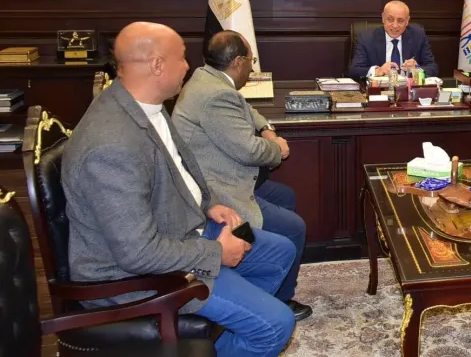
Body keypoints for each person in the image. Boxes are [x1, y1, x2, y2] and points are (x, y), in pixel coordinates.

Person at [62, 22, 296, 357]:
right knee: (276, 325)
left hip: (187, 226)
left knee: (280, 251)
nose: (188, 66)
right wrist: (216, 253)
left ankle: (225, 333)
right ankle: (244, 323)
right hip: (141, 275)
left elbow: (183, 172)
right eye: (182, 58)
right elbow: (138, 253)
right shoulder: (111, 146)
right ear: (157, 65)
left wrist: (210, 203)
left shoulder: (148, 105)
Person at [173, 30, 312, 320]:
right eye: (251, 60)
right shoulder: (216, 95)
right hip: (218, 191)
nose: (252, 67)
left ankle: (260, 268)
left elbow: (247, 109)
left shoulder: (207, 77)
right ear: (237, 62)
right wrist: (277, 148)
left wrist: (266, 129)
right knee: (294, 228)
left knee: (285, 196)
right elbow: (249, 151)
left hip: (228, 175)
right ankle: (280, 299)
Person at [348, 0, 437, 79]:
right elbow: (354, 71)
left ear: (407, 21)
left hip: (408, 89)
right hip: (380, 90)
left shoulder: (418, 36)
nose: (395, 25)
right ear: (383, 18)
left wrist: (417, 69)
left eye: (400, 21)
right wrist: (378, 70)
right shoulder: (367, 38)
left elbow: (432, 67)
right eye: (390, 19)